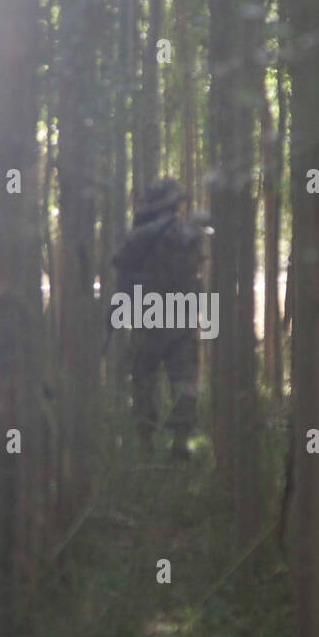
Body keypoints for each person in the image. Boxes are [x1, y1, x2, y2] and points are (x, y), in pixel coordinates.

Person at [110, 178, 205, 459]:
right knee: (183, 377)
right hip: (185, 313)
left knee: (142, 377)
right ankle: (181, 441)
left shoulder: (141, 234)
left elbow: (120, 261)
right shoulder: (192, 232)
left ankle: (145, 444)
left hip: (150, 314)